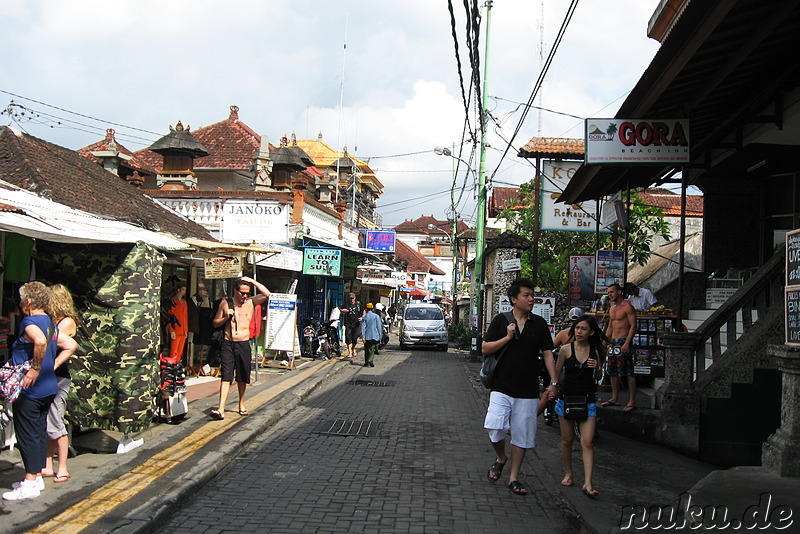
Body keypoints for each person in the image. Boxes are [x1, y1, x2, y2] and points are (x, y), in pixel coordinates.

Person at [482, 278, 558, 497]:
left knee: (522, 435)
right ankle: (501, 457)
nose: (531, 299)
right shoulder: (501, 320)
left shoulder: (539, 324)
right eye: (526, 295)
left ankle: (514, 477)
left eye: (532, 295)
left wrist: (553, 382)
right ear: (514, 299)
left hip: (528, 389)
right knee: (495, 426)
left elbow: (547, 354)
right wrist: (507, 337)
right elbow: (486, 348)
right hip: (501, 385)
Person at [3, 282, 77, 501]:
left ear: (28, 301)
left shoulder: (31, 321)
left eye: (21, 299)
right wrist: (50, 366)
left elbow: (40, 340)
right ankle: (34, 479)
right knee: (37, 433)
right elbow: (71, 345)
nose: (19, 303)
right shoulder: (50, 322)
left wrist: (35, 369)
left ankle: (29, 482)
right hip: (48, 388)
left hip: (30, 390)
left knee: (27, 435)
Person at [554, 314, 610, 497]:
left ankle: (588, 482)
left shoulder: (596, 351)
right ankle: (569, 472)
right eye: (577, 328)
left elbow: (598, 379)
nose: (579, 331)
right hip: (566, 399)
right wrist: (551, 389)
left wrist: (597, 369)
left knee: (587, 442)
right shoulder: (565, 350)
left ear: (591, 332)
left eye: (583, 329)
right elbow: (556, 374)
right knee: (567, 440)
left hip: (588, 400)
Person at [210, 276, 270, 420]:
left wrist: (252, 281)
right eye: (242, 293)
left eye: (247, 293)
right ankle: (221, 408)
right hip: (228, 342)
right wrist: (226, 317)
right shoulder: (226, 303)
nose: (245, 296)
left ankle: (241, 404)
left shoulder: (250, 302)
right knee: (226, 375)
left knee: (242, 376)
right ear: (235, 291)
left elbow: (267, 294)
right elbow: (215, 323)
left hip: (243, 343)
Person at [41, 284, 79, 484]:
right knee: (48, 422)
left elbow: (50, 343)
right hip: (50, 376)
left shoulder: (67, 322)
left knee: (56, 421)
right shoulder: (54, 320)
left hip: (59, 377)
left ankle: (62, 467)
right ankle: (48, 465)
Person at [602, 283, 637, 413]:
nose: (610, 294)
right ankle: (615, 397)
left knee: (628, 371)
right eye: (608, 292)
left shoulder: (628, 307)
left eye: (612, 292)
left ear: (620, 292)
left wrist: (627, 342)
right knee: (612, 371)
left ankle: (632, 400)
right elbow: (610, 327)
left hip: (624, 340)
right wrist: (605, 343)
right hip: (614, 342)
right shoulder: (612, 309)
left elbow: (633, 326)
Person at [339, 293, 363, 359]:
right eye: (350, 298)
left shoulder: (358, 304)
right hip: (348, 323)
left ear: (355, 298)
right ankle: (350, 352)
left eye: (352, 298)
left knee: (354, 338)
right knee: (348, 337)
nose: (351, 300)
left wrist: (362, 317)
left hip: (356, 323)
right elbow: (340, 310)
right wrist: (342, 310)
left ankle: (353, 349)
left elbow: (363, 311)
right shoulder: (346, 304)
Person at [361, 303, 382, 367]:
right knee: (372, 348)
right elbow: (379, 327)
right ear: (373, 309)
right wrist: (380, 336)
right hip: (374, 335)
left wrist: (363, 336)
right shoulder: (376, 316)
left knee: (366, 348)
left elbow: (363, 327)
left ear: (366, 309)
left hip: (367, 335)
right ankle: (370, 360)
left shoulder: (364, 317)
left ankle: (366, 361)